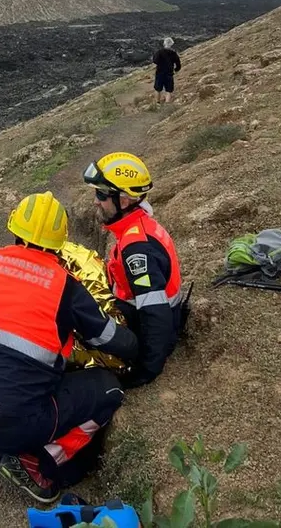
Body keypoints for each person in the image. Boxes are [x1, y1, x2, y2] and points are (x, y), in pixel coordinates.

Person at [0, 191, 139, 504]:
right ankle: (33, 462)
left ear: (15, 231)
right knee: (107, 389)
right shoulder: (65, 285)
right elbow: (107, 338)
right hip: (17, 427)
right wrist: (137, 344)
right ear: (60, 243)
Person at [83, 152, 183, 389]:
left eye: (101, 194)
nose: (96, 201)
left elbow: (155, 313)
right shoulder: (137, 228)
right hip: (137, 311)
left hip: (142, 326)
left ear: (124, 201)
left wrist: (146, 369)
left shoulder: (137, 248)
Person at [152, 37, 181, 104]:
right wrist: (176, 70)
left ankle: (157, 103)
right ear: (171, 44)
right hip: (169, 73)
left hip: (160, 73)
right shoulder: (174, 53)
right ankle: (167, 104)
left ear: (164, 43)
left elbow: (155, 61)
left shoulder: (159, 52)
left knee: (158, 89)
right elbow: (178, 64)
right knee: (169, 90)